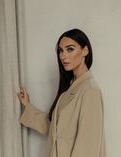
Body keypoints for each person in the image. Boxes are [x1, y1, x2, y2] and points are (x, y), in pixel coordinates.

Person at [17, 29, 106, 157]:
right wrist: (28, 106)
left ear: (85, 51)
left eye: (70, 49)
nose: (63, 56)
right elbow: (54, 128)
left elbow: (87, 146)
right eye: (61, 50)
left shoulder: (90, 91)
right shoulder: (69, 89)